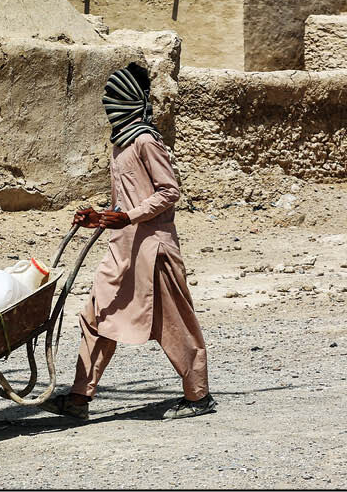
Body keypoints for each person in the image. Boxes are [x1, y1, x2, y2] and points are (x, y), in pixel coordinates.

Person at [39, 62, 215, 421]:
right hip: (121, 249)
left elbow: (169, 192)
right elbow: (125, 200)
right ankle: (78, 399)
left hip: (154, 250)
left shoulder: (146, 140)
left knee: (174, 324)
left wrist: (129, 216)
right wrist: (99, 217)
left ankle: (198, 396)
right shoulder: (120, 145)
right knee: (96, 316)